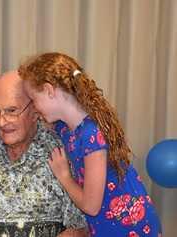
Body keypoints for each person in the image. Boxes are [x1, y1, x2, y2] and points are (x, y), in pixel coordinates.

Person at [18, 52, 162, 237]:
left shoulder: (91, 135)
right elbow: (33, 122)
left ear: (49, 90)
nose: (34, 106)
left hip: (128, 227)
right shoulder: (65, 126)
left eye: (33, 99)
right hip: (107, 225)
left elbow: (91, 206)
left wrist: (64, 177)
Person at [0, 71, 88, 237]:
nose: (1, 122)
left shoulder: (57, 151)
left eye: (12, 111)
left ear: (35, 109)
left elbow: (79, 228)